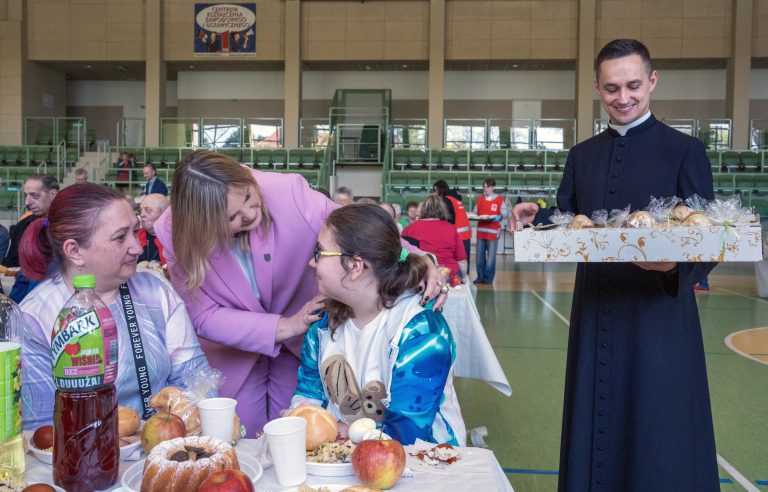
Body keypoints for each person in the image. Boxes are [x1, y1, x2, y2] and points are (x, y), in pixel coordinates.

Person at [511, 39, 718, 490]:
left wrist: (673, 268)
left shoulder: (685, 150)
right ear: (597, 88)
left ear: (652, 81)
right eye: (611, 88)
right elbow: (573, 218)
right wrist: (538, 214)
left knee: (658, 435)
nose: (622, 98)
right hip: (596, 312)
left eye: (633, 86)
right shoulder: (582, 154)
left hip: (658, 323)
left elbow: (709, 237)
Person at [154, 151, 444, 436]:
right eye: (231, 218)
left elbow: (363, 235)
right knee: (240, 433)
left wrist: (419, 260)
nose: (250, 214)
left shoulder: (288, 193)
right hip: (236, 349)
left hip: (303, 342)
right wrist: (283, 325)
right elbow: (203, 314)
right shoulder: (172, 231)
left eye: (247, 197)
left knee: (299, 430)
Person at [19, 184, 211, 428]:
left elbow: (197, 384)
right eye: (121, 237)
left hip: (164, 451)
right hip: (81, 461)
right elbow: (42, 432)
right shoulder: (34, 317)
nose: (138, 247)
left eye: (136, 231)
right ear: (75, 251)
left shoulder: (156, 290)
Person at [291, 204, 465, 445]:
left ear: (355, 266)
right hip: (339, 462)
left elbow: (407, 434)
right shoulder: (322, 325)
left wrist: (334, 429)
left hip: (423, 466)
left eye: (319, 252)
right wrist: (298, 421)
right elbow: (309, 394)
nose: (312, 262)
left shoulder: (421, 331)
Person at [402, 195, 467, 279]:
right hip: (448, 274)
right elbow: (461, 260)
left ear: (423, 209)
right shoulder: (451, 229)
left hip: (420, 275)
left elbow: (402, 256)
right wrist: (465, 278)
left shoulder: (409, 229)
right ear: (442, 209)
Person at [473, 178, 507, 285]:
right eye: (484, 187)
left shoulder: (500, 200)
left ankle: (488, 278)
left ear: (493, 188)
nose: (485, 189)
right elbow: (475, 212)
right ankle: (480, 276)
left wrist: (500, 217)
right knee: (479, 257)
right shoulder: (480, 200)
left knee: (491, 257)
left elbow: (505, 214)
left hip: (493, 233)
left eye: (487, 187)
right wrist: (474, 216)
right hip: (481, 232)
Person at [433, 180, 471, 272]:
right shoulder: (454, 198)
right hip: (465, 234)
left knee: (457, 259)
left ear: (438, 190)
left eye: (434, 190)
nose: (433, 193)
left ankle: (459, 281)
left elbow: (450, 220)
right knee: (463, 258)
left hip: (458, 234)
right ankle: (464, 281)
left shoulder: (446, 200)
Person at [138, 193, 170, 265]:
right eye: (140, 210)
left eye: (147, 210)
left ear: (164, 213)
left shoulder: (177, 240)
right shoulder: (135, 236)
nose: (142, 215)